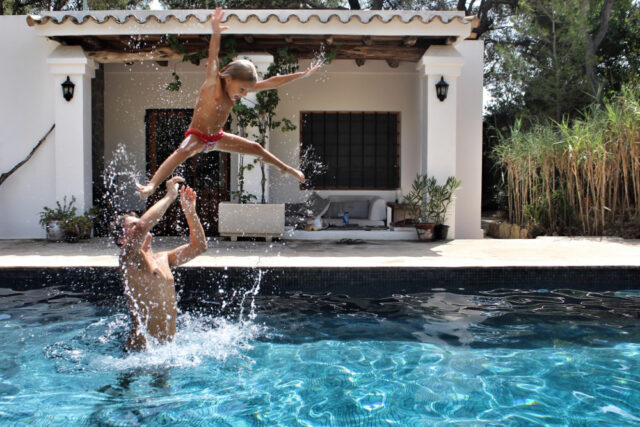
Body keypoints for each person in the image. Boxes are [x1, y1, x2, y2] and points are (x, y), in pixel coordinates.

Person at [137, 7, 317, 199]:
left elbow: (272, 82)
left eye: (247, 90)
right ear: (229, 79)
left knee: (256, 148)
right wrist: (215, 33)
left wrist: (300, 75)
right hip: (198, 136)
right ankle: (152, 186)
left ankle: (287, 169)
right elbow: (213, 57)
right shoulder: (213, 84)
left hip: (217, 137)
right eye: (242, 89)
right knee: (183, 150)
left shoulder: (236, 89)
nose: (245, 94)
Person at [115, 177, 207, 350]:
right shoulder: (128, 259)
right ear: (122, 239)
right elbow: (143, 225)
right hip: (140, 353)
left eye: (137, 224)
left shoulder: (164, 258)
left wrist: (190, 212)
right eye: (131, 226)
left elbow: (199, 247)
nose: (139, 228)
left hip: (165, 351)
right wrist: (170, 196)